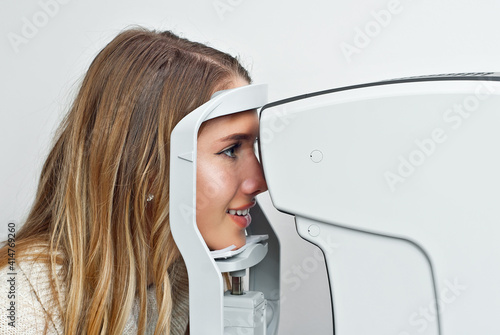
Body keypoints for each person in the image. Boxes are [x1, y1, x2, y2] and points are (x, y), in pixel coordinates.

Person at [0, 27, 267, 334]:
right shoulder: (22, 308)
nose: (259, 180)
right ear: (147, 170)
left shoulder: (185, 273)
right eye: (231, 149)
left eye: (253, 146)